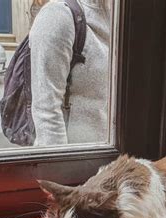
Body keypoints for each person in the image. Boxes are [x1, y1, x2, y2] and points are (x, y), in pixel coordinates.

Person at [29, 0, 111, 145]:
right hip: (74, 159)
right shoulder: (57, 16)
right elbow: (46, 110)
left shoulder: (119, 16)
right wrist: (59, 165)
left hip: (110, 158)